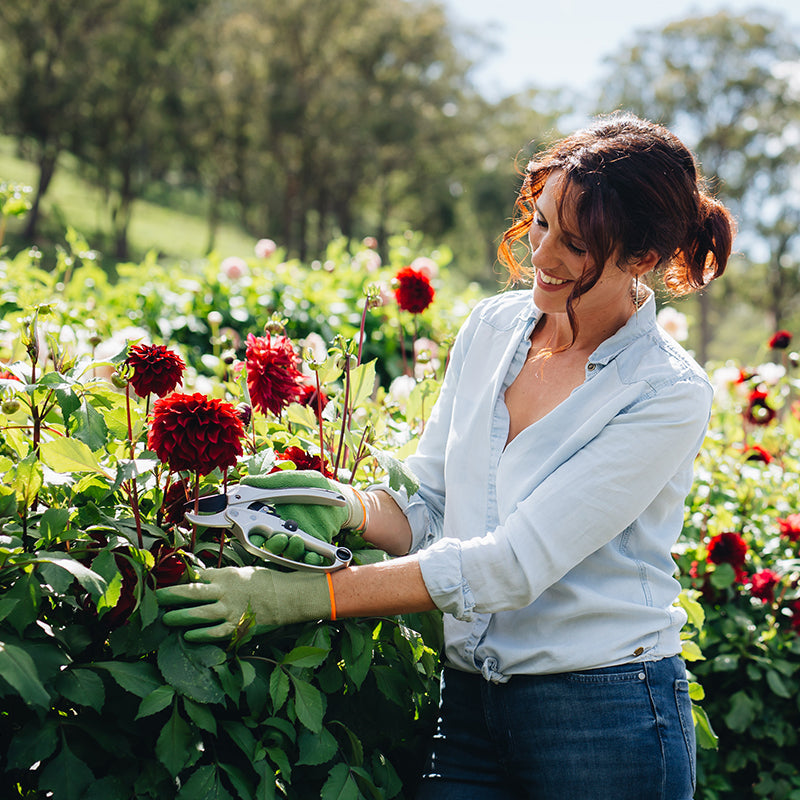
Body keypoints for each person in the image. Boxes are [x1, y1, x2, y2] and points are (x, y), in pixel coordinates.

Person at [157, 112, 736, 800]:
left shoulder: (665, 391)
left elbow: (515, 564)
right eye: (543, 222)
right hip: (467, 702)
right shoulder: (493, 329)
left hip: (606, 718)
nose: (543, 257)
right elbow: (434, 508)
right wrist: (344, 506)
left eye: (577, 246)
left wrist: (302, 598)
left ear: (640, 257)